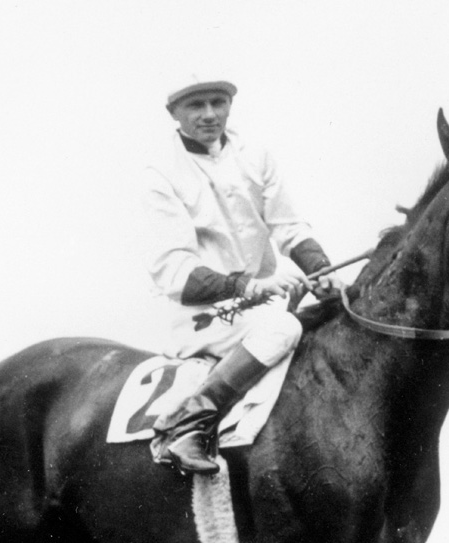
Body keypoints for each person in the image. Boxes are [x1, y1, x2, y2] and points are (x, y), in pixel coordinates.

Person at [143, 74, 340, 474]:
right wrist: (249, 285)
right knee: (284, 329)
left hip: (259, 306)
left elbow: (288, 226)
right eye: (196, 106)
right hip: (202, 314)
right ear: (173, 113)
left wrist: (322, 270)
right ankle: (188, 426)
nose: (210, 114)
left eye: (218, 102)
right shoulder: (160, 172)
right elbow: (175, 271)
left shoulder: (256, 154)